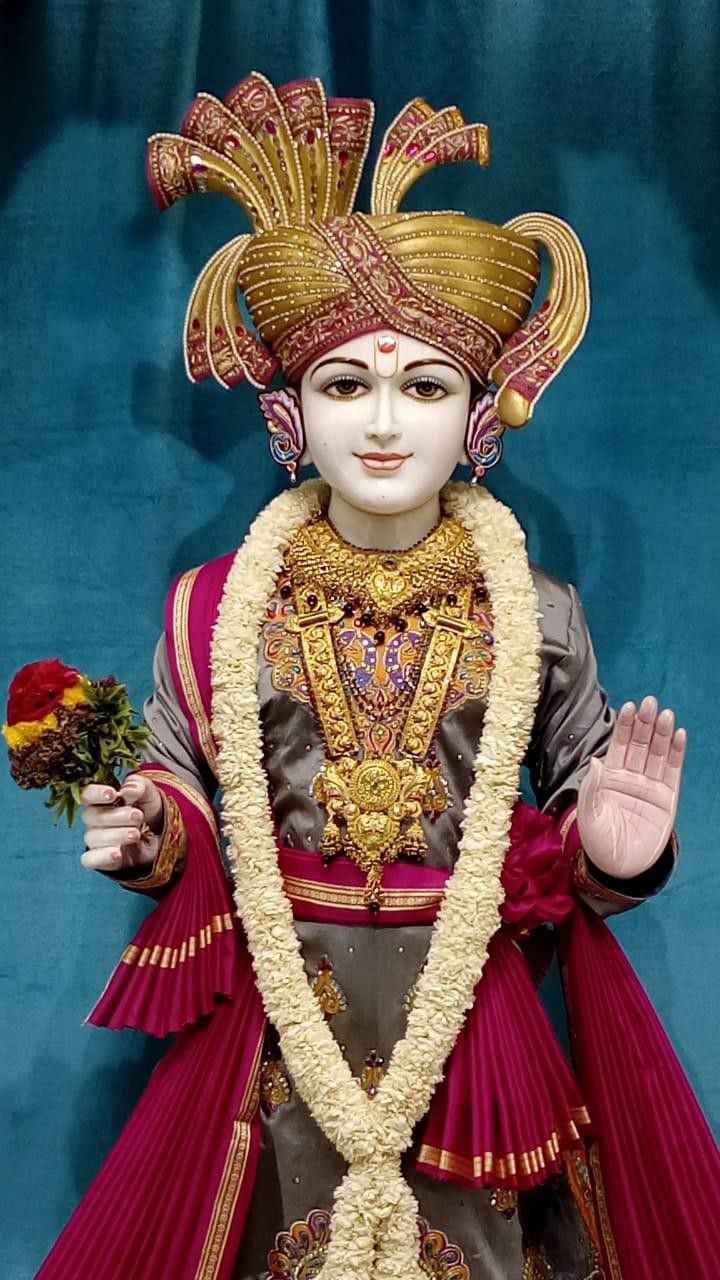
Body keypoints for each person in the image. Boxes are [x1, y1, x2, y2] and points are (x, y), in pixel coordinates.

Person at [36, 74, 718, 1280]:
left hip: (475, 1037)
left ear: (479, 420)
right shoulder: (212, 608)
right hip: (274, 1029)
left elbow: (572, 811)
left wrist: (612, 855)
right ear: (291, 412)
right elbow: (183, 785)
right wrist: (150, 830)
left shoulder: (542, 609)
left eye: (425, 385)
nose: (385, 422)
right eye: (347, 385)